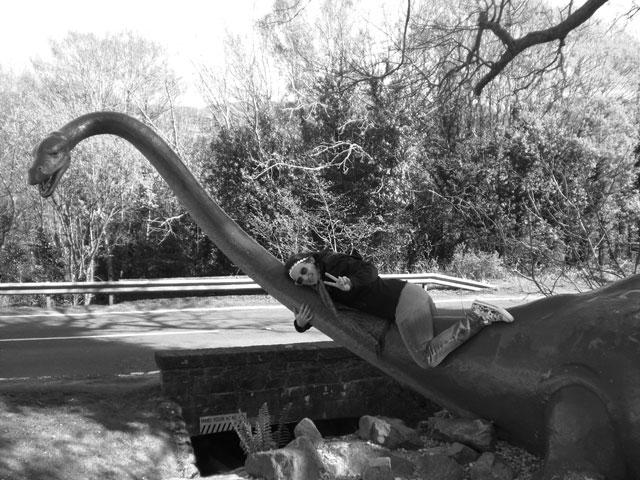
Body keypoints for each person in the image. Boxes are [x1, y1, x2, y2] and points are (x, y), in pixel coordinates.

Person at [284, 249, 514, 368]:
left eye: (304, 271)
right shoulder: (321, 289)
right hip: (408, 297)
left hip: (402, 301)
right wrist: (300, 325)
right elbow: (328, 314)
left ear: (311, 261)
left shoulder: (335, 264)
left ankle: (478, 317)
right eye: (300, 280)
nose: (305, 278)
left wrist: (351, 283)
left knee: (427, 358)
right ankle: (482, 316)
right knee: (439, 333)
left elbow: (370, 271)